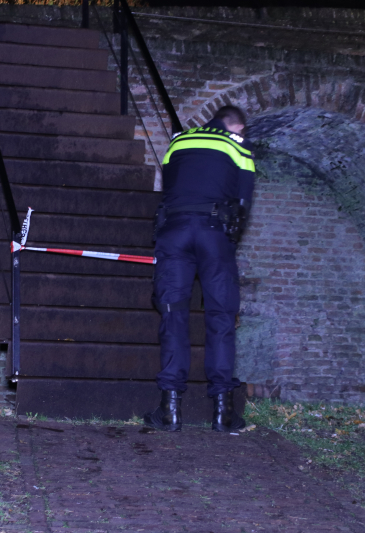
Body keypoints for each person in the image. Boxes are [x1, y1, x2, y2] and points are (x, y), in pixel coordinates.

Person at [144, 105, 255, 432]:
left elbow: (169, 188)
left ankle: (169, 411)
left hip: (174, 233)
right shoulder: (238, 146)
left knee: (172, 314)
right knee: (221, 317)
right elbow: (243, 203)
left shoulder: (177, 143)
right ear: (237, 126)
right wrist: (228, 244)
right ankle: (222, 413)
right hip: (213, 233)